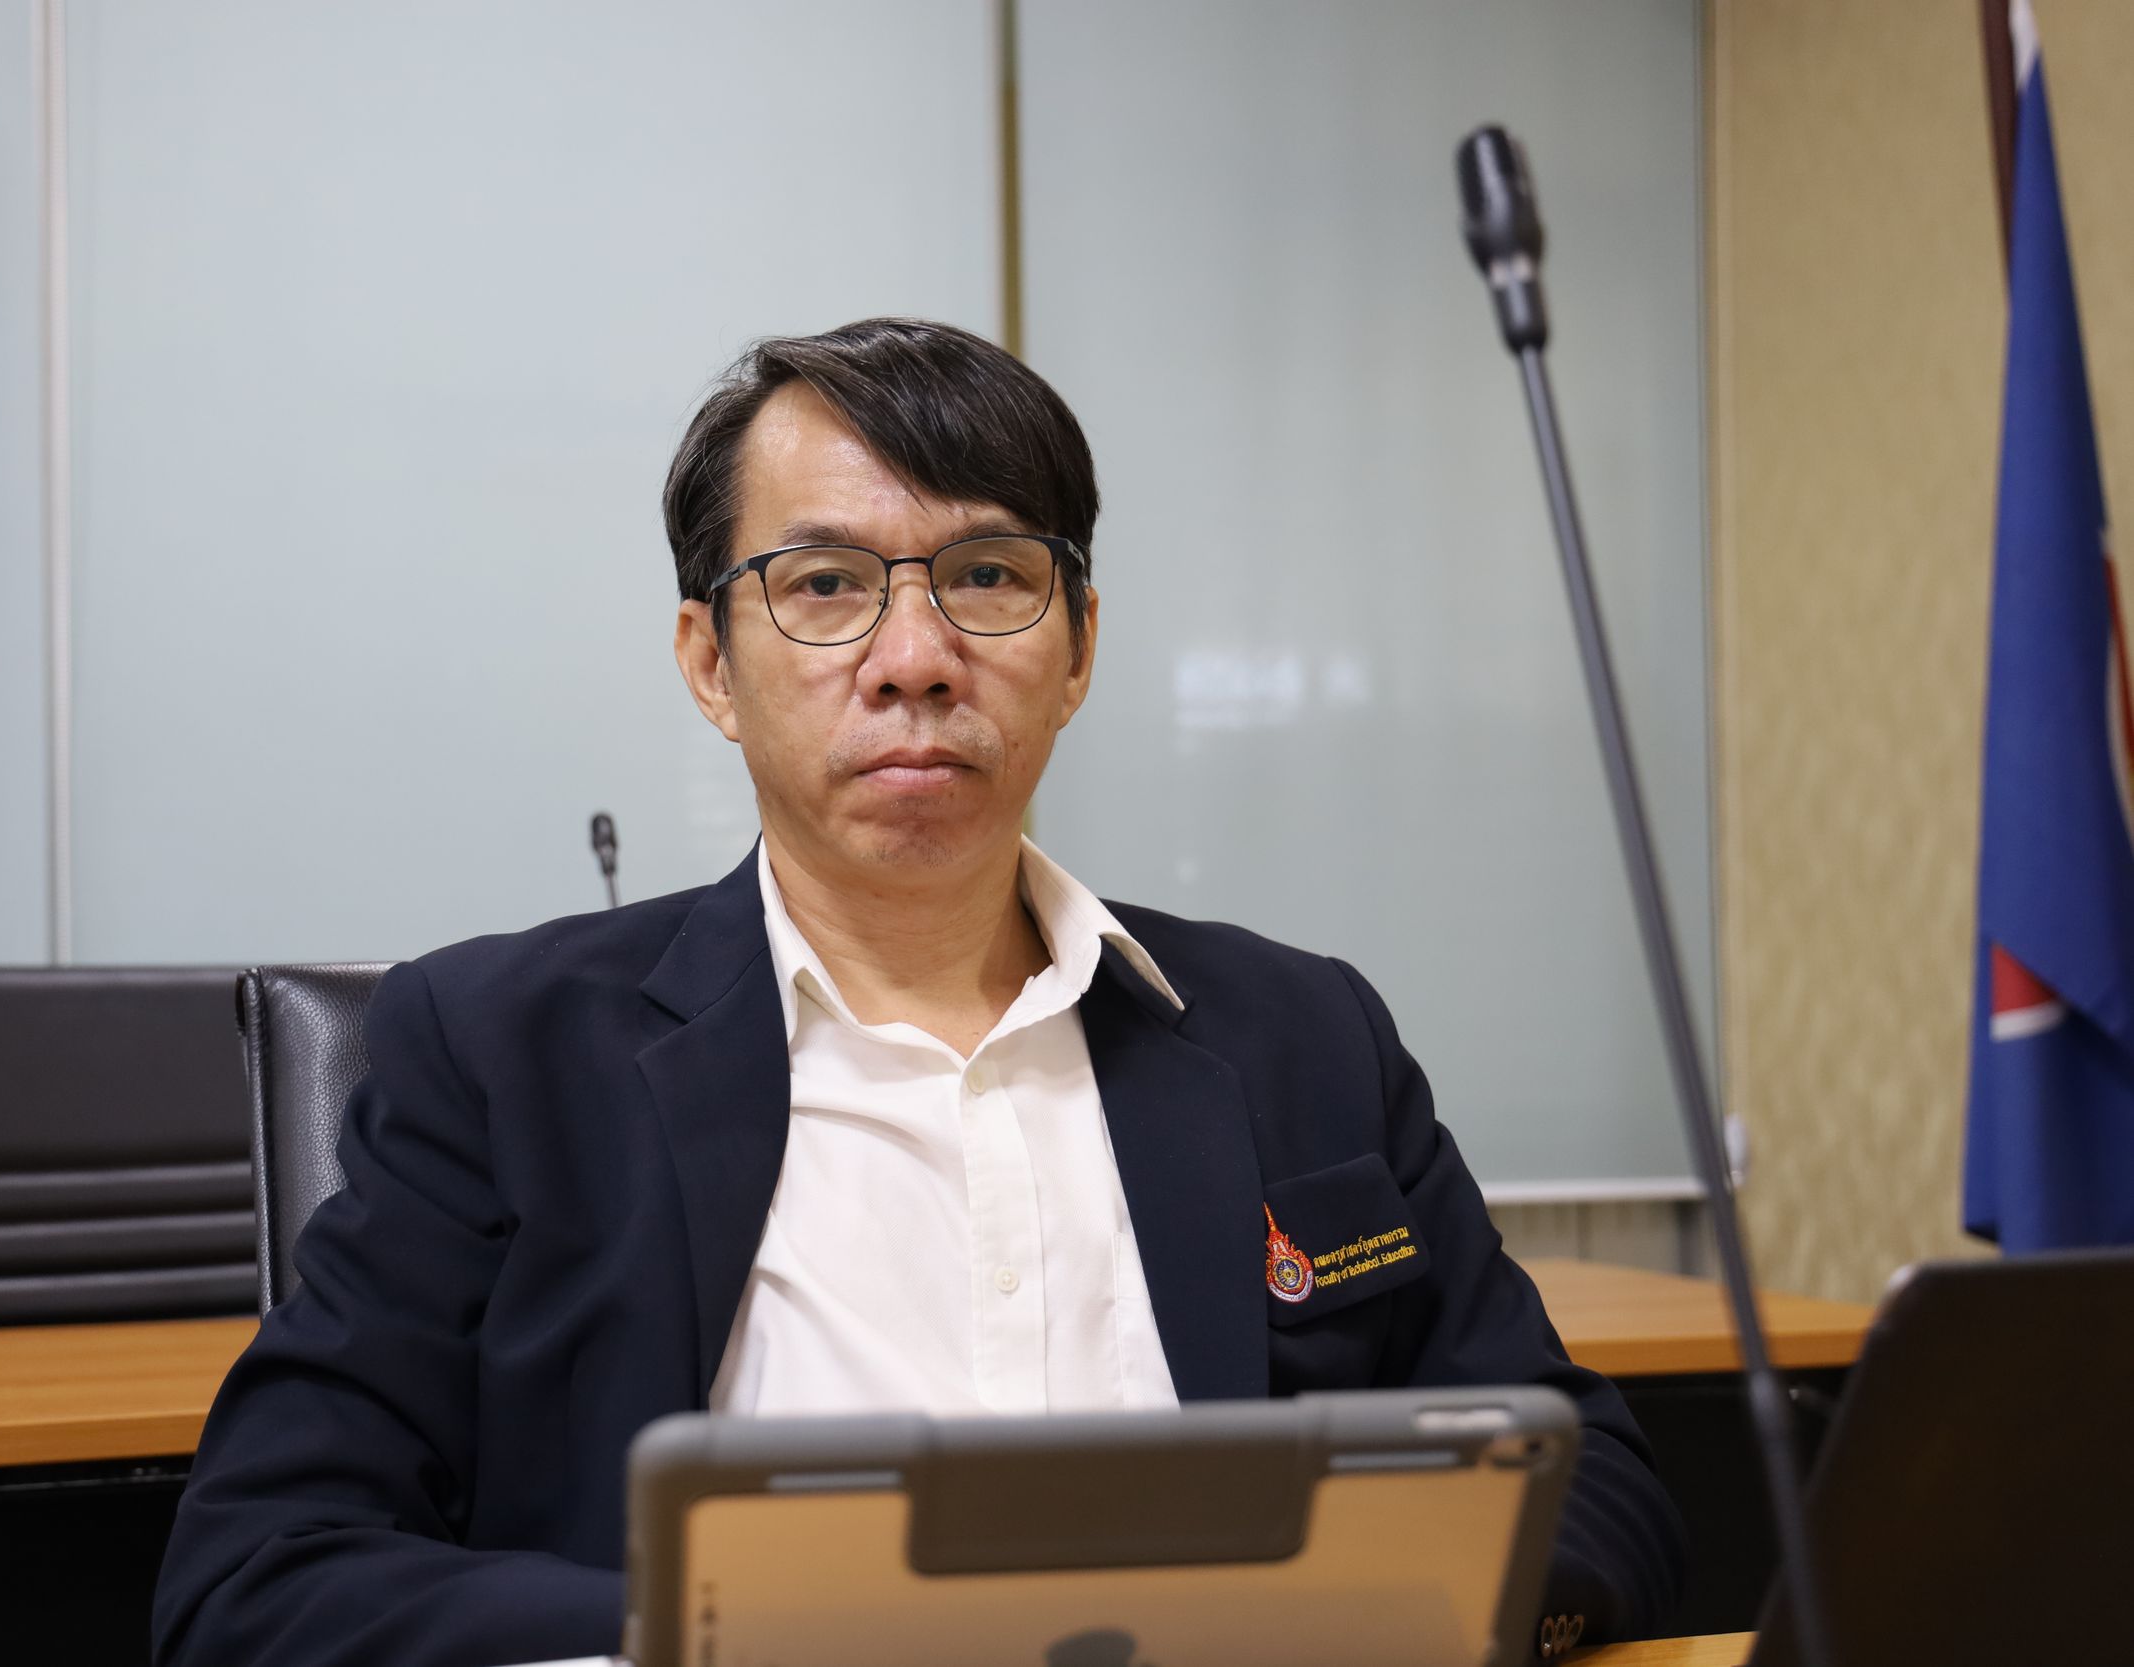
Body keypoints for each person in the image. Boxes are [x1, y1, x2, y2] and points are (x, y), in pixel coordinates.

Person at [153, 318, 1686, 1667]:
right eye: (825, 584)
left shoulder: (1304, 1036)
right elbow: (261, 1579)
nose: (916, 657)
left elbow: (1595, 1487)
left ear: (1079, 649)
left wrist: (1355, 1621)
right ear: (711, 662)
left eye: (988, 578)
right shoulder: (498, 1057)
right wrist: (729, 1642)